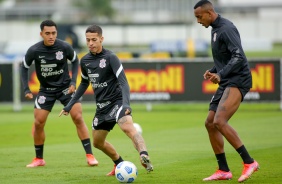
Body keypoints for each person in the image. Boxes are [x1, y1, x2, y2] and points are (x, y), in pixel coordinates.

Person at [59, 24, 153, 176]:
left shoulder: (111, 57)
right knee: (97, 142)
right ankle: (119, 163)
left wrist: (126, 104)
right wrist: (69, 105)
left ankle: (144, 154)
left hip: (117, 102)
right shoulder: (85, 61)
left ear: (101, 39)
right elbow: (84, 84)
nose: (90, 43)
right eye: (88, 40)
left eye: (94, 40)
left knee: (128, 127)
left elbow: (123, 82)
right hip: (102, 108)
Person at [193, 0, 259, 182]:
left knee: (220, 121)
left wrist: (221, 74)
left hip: (238, 79)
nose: (198, 21)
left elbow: (238, 56)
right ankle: (223, 170)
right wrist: (214, 71)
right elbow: (226, 56)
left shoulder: (226, 28)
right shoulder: (214, 29)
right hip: (227, 80)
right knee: (210, 123)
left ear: (209, 12)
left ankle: (249, 162)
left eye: (199, 17)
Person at [21, 20, 98, 167]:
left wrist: (73, 83)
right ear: (41, 34)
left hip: (65, 88)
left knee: (78, 116)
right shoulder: (34, 50)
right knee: (38, 123)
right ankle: (39, 159)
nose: (51, 36)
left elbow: (76, 61)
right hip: (46, 91)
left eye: (53, 33)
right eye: (47, 33)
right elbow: (24, 67)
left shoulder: (64, 46)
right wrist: (26, 89)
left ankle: (90, 156)